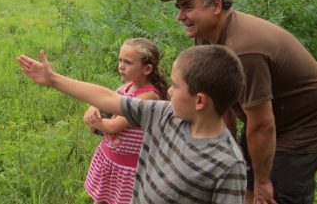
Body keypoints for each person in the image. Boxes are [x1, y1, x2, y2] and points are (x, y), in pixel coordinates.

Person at [160, 0, 317, 204]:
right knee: (245, 180)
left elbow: (263, 126)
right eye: (178, 8)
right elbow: (220, 101)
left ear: (216, 5)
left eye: (187, 7)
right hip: (269, 115)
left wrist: (263, 181)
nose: (180, 16)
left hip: (308, 121)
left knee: (275, 192)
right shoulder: (206, 35)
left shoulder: (244, 50)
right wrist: (227, 148)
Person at [18, 45, 247, 203]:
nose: (168, 90)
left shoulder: (227, 165)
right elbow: (109, 99)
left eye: (176, 86)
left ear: (199, 101)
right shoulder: (164, 115)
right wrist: (53, 79)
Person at [81, 38, 167, 203]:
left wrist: (94, 122)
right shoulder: (127, 87)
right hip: (109, 158)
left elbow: (113, 126)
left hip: (129, 168)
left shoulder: (148, 96)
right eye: (120, 60)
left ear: (147, 69)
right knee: (101, 199)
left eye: (127, 62)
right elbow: (104, 101)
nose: (121, 65)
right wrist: (94, 108)